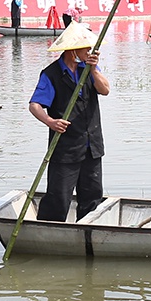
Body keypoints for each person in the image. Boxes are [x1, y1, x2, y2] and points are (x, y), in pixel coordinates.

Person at [28, 22, 111, 221]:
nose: (89, 51)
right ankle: (49, 233)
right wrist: (50, 121)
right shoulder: (52, 73)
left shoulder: (90, 69)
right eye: (85, 48)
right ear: (72, 50)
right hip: (65, 147)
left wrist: (93, 70)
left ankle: (87, 233)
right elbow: (35, 105)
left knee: (92, 197)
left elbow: (105, 90)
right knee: (59, 198)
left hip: (92, 145)